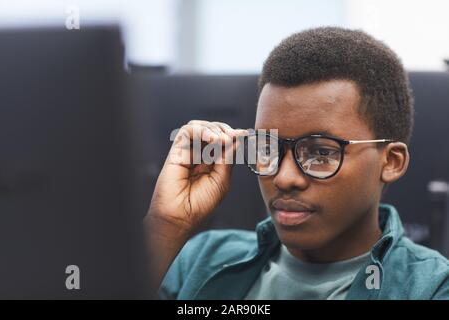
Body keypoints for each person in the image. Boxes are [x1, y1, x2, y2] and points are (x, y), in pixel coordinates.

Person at [145, 27, 449, 299]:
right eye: (268, 147)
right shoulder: (199, 260)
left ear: (391, 161)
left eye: (321, 153)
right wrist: (167, 226)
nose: (285, 178)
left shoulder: (432, 288)